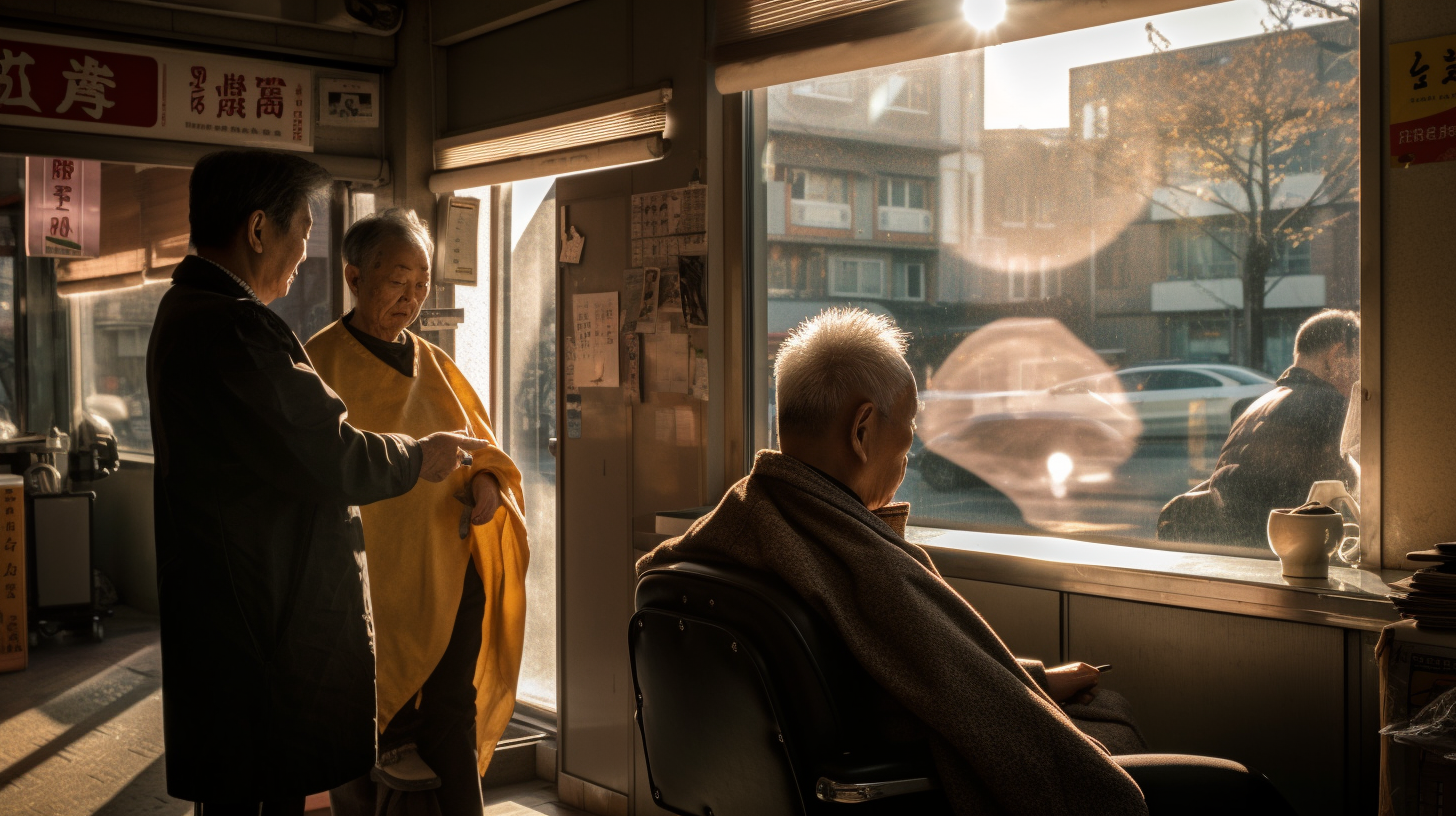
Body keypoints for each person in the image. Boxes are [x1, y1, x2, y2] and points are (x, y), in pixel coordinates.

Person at [637, 308, 1296, 816]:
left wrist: (1030, 675)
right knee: (1245, 794)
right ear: (864, 430)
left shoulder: (731, 536)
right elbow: (985, 723)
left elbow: (899, 670)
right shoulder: (862, 566)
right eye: (909, 427)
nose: (910, 448)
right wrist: (1030, 696)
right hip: (911, 788)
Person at [147, 150, 491, 816]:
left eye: (422, 281)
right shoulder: (238, 328)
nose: (303, 255)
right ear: (257, 231)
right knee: (262, 775)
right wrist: (418, 457)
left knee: (254, 777)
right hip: (260, 606)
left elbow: (486, 450)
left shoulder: (189, 312)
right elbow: (330, 455)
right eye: (303, 233)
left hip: (243, 595)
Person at [305, 209, 530, 816]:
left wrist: (486, 483)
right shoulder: (315, 364)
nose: (412, 295)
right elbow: (309, 471)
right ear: (354, 275)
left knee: (450, 714)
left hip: (450, 573)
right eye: (397, 278)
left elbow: (482, 448)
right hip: (366, 589)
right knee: (369, 727)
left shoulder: (434, 362)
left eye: (422, 281)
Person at [1158, 310, 1360, 547]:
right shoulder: (1331, 407)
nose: (1362, 376)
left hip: (1238, 551)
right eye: (1361, 361)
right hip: (1279, 554)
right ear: (1337, 355)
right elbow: (1352, 497)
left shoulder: (1255, 406)